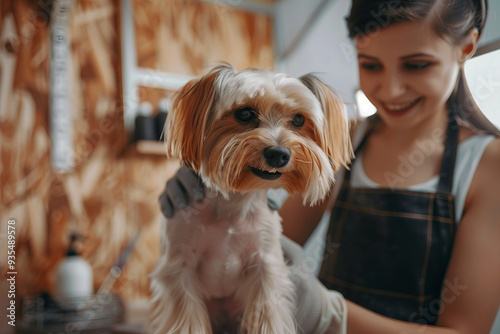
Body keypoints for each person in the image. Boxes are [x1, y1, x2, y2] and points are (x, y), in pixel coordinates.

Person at [159, 0, 500, 332]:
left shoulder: (488, 165)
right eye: (370, 65)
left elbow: (465, 329)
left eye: (416, 65)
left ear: (466, 47)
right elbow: (265, 243)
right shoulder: (346, 139)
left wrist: (329, 313)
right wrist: (212, 173)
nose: (391, 88)